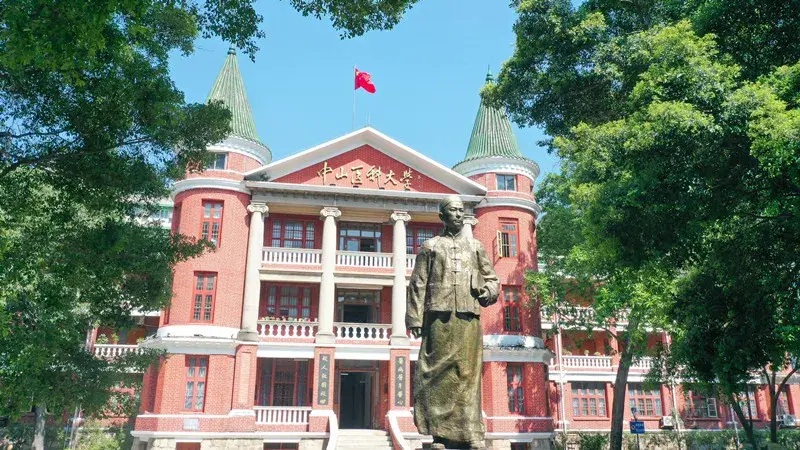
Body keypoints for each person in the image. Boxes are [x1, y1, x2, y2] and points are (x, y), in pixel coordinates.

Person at [406, 195, 499, 450]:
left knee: (468, 374)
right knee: (436, 372)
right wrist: (414, 318)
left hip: (468, 316)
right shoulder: (431, 247)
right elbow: (417, 283)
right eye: (452, 210)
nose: (457, 214)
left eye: (460, 210)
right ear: (442, 216)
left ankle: (470, 433)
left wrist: (488, 293)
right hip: (439, 317)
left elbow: (492, 280)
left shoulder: (475, 246)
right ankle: (439, 435)